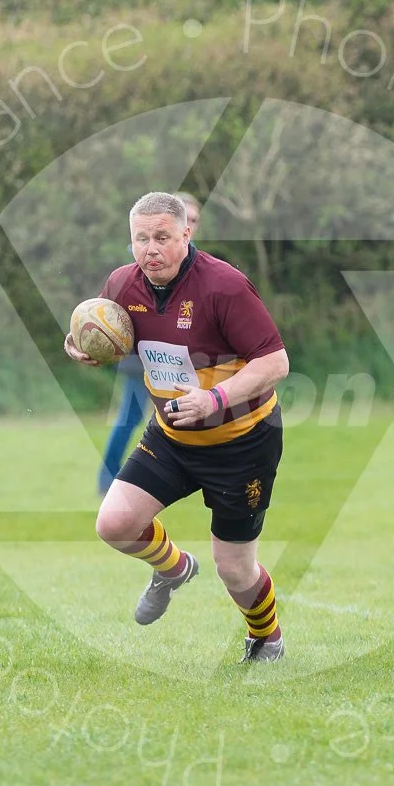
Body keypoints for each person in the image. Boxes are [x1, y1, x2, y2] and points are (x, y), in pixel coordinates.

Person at [65, 192, 290, 662]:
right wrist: (88, 349)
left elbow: (276, 361)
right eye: (141, 239)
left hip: (242, 443)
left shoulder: (224, 287)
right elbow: (114, 335)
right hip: (172, 437)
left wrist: (215, 398)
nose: (151, 249)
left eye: (163, 237)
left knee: (234, 568)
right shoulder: (123, 285)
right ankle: (173, 569)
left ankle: (266, 637)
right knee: (115, 523)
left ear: (187, 233)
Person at [98, 192, 203, 494]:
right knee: (130, 418)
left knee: (181, 418)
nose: (192, 225)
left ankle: (189, 477)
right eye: (188, 218)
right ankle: (108, 479)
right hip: (141, 360)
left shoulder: (195, 265)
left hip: (180, 362)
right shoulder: (148, 257)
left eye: (195, 219)